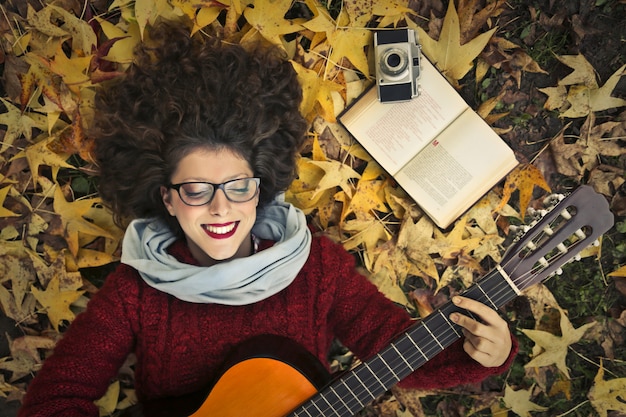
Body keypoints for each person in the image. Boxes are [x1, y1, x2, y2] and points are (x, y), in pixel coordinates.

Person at [18, 20, 516, 417]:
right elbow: (54, 400)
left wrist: (481, 355)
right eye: (196, 190)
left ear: (260, 188)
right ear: (165, 197)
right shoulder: (137, 292)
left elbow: (390, 349)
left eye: (239, 187)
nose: (221, 208)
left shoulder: (318, 268)